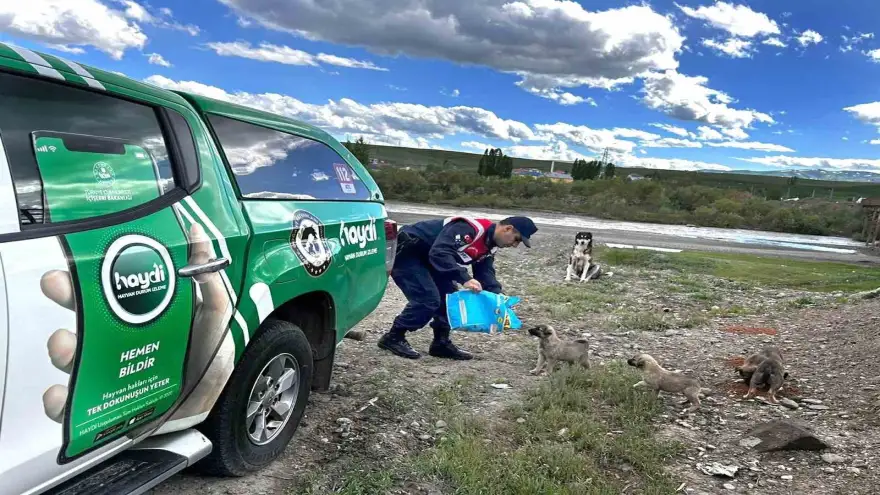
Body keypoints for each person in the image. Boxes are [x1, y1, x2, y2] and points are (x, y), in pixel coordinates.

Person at [378, 215, 538, 360]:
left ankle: (440, 343)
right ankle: (393, 337)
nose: (515, 245)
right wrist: (464, 278)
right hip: (409, 252)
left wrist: (498, 296)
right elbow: (440, 252)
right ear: (507, 228)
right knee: (428, 299)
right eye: (517, 240)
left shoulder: (490, 245)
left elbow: (485, 272)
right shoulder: (469, 229)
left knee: (450, 298)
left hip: (431, 257)